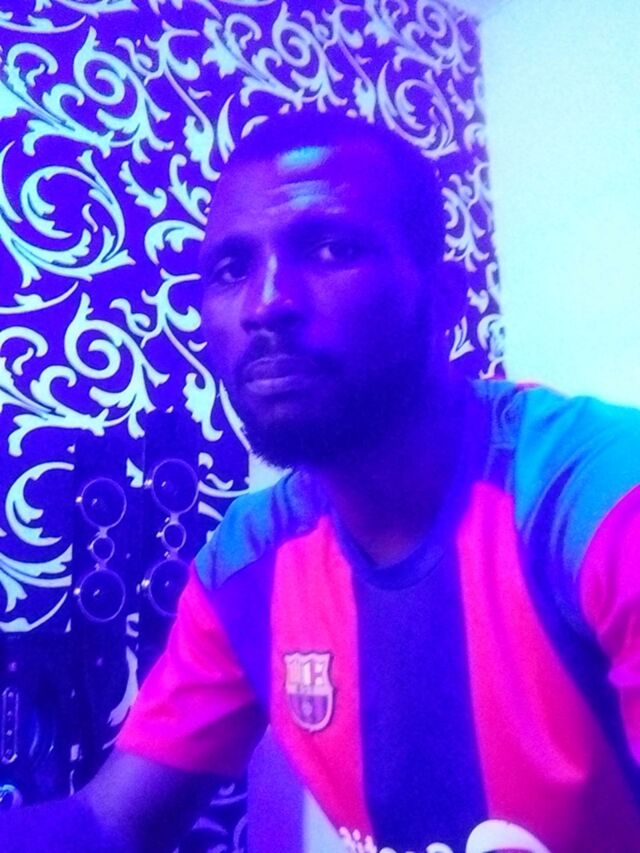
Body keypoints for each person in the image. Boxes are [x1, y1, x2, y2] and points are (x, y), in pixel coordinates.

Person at [3, 111, 640, 853]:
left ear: (444, 297)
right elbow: (113, 821)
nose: (266, 303)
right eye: (230, 269)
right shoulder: (247, 559)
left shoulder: (597, 498)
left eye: (333, 248)